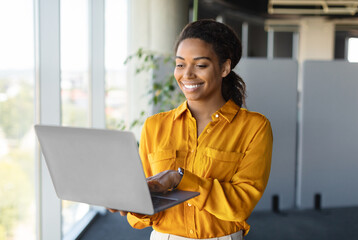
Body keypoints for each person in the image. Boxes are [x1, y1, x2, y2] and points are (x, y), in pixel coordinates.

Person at [109, 19, 273, 240]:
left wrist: (180, 179)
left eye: (200, 65)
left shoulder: (254, 127)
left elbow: (241, 206)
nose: (187, 74)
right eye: (180, 64)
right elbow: (145, 213)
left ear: (224, 68)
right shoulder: (155, 126)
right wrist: (132, 203)